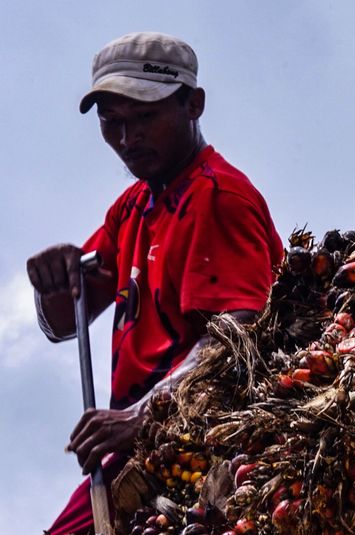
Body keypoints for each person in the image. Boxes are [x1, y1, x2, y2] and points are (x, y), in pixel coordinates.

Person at [27, 32, 284, 535]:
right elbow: (62, 324)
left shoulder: (218, 196)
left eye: (144, 118)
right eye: (112, 122)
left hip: (204, 438)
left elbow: (239, 332)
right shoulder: (132, 208)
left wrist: (142, 416)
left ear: (193, 104)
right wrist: (52, 281)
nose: (127, 139)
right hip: (136, 448)